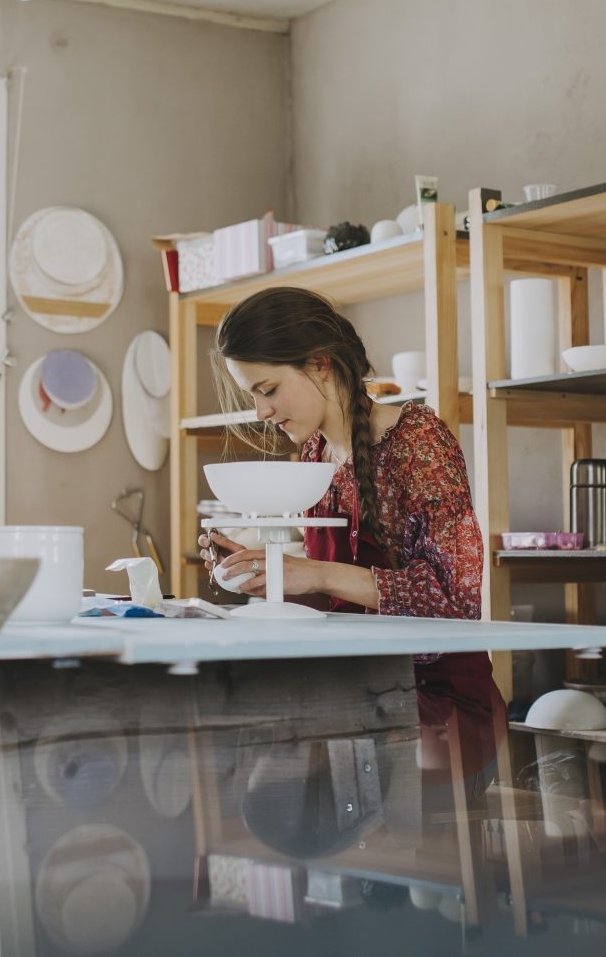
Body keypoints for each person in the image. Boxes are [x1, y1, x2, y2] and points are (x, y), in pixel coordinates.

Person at [198, 286, 505, 791]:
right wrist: (269, 575)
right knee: (247, 753)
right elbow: (345, 603)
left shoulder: (417, 441)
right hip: (362, 696)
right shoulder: (316, 454)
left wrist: (313, 572)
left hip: (440, 708)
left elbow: (454, 598)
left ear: (321, 364)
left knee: (280, 777)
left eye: (268, 389)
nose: (260, 412)